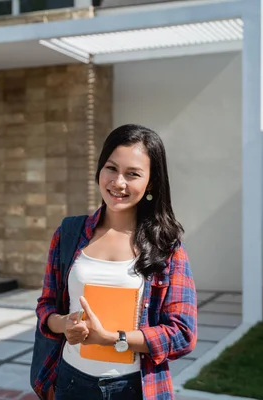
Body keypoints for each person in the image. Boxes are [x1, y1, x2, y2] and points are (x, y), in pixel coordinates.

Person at [33, 124, 197, 400]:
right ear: (99, 169)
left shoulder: (166, 248)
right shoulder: (69, 234)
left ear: (151, 183)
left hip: (132, 388)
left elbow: (183, 333)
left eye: (132, 174)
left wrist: (112, 339)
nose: (118, 182)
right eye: (111, 168)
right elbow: (45, 307)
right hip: (70, 383)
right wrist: (65, 324)